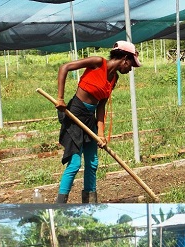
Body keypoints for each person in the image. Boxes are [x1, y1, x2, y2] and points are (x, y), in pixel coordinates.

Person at [54, 41, 141, 203]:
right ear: (125, 59)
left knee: (92, 162)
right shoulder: (97, 63)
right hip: (74, 114)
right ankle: (60, 205)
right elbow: (64, 67)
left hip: (89, 118)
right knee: (74, 164)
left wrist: (100, 134)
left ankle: (90, 202)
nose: (130, 70)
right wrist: (60, 98)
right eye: (131, 65)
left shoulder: (113, 78)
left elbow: (101, 106)